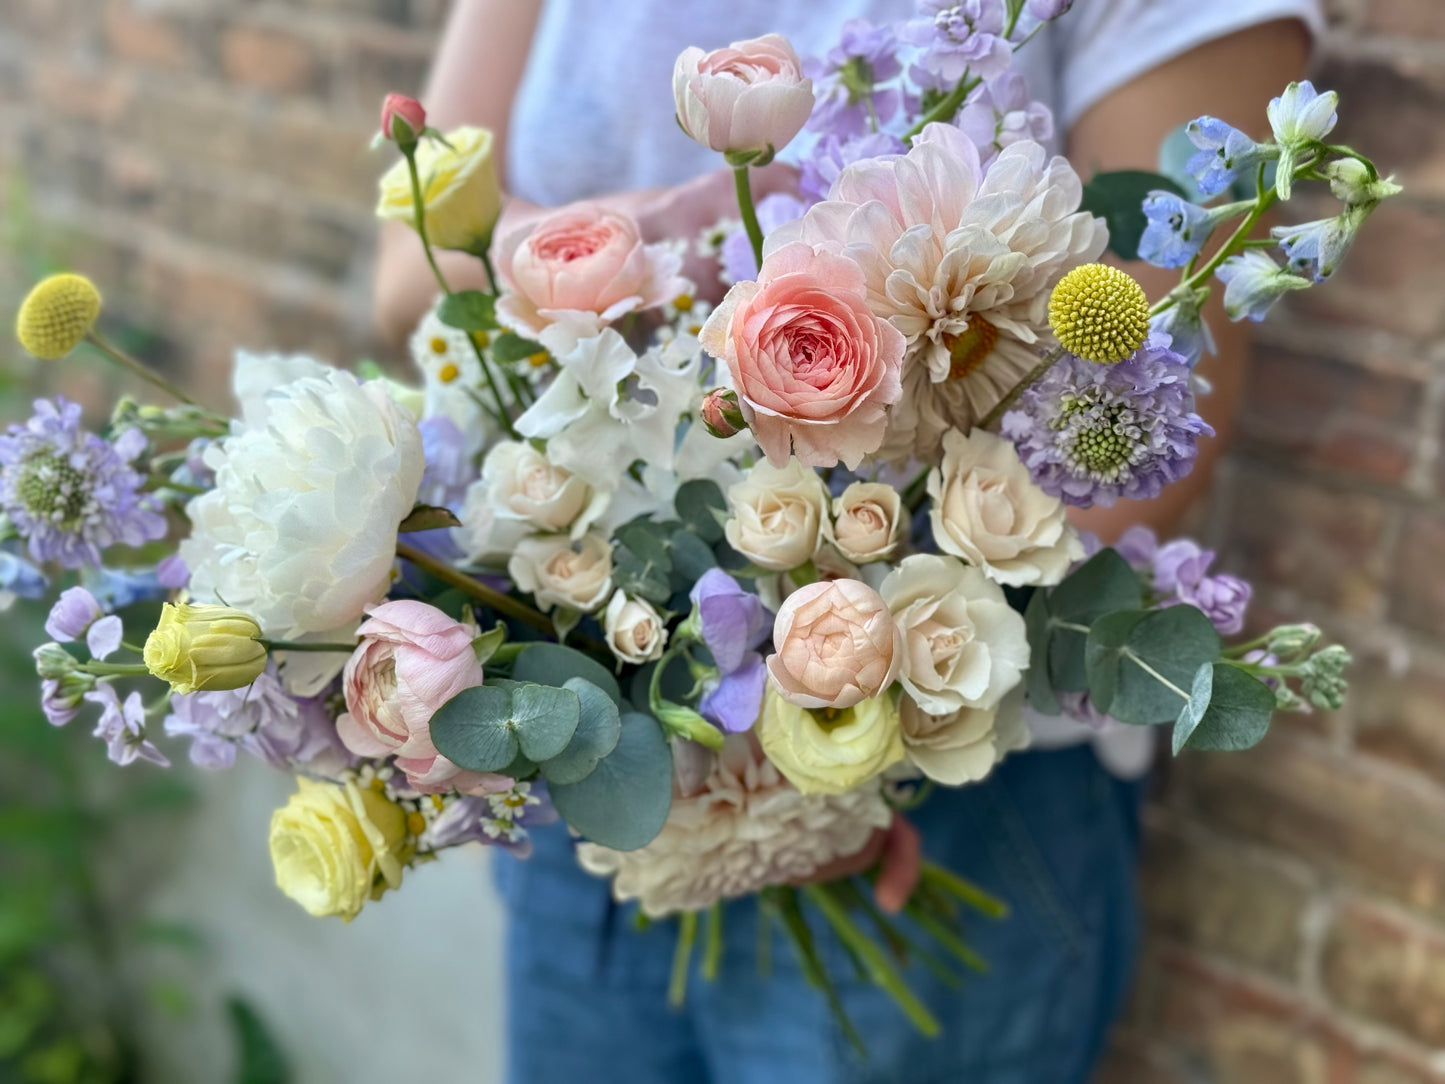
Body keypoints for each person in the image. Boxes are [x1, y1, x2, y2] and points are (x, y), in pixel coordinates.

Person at [373, 3, 1316, 1081]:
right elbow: (406, 272)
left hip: (940, 793)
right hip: (593, 753)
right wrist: (662, 239)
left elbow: (1149, 413)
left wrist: (846, 733)